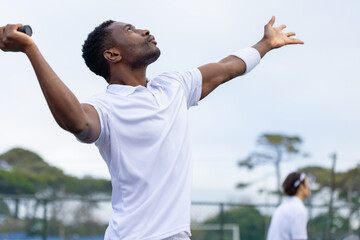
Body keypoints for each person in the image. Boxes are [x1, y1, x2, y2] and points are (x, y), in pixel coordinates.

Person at [0, 17, 303, 240]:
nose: (144, 30)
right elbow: (75, 121)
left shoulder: (174, 86)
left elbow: (226, 69)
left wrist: (265, 44)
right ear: (113, 55)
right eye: (129, 30)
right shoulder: (105, 107)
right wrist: (31, 50)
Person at [266, 172, 310, 240]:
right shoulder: (299, 210)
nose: (309, 188)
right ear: (301, 186)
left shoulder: (281, 208)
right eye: (307, 184)